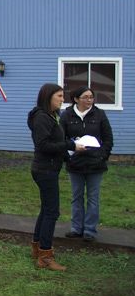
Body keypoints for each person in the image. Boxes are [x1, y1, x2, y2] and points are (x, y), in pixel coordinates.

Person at [27, 83, 85, 271]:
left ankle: (37, 248)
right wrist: (71, 146)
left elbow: (56, 143)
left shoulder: (52, 116)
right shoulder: (42, 118)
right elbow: (43, 145)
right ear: (48, 97)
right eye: (59, 96)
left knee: (46, 210)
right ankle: (45, 255)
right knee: (52, 212)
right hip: (45, 170)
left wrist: (69, 157)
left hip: (49, 168)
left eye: (62, 96)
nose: (62, 99)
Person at [60, 86, 113, 242]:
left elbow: (108, 139)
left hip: (95, 164)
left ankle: (90, 230)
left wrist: (102, 156)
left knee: (93, 197)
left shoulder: (99, 114)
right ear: (76, 99)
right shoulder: (67, 115)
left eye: (91, 97)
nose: (89, 100)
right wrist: (67, 156)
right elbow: (61, 138)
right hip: (75, 163)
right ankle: (76, 228)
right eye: (86, 97)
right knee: (76, 197)